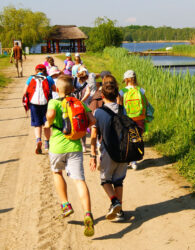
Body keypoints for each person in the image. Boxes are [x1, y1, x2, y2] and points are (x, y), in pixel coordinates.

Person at [45, 74, 96, 237]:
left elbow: (50, 116)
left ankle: (65, 204)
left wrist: (49, 122)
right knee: (80, 180)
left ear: (56, 89)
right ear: (73, 90)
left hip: (57, 146)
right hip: (75, 146)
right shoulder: (78, 102)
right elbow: (92, 120)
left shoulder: (53, 102)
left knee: (57, 172)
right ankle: (87, 214)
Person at [90, 75, 127, 221]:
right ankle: (119, 212)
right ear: (117, 94)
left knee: (105, 180)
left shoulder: (98, 113)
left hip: (108, 152)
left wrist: (92, 154)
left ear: (102, 96)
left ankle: (114, 201)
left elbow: (93, 135)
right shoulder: (123, 110)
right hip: (124, 152)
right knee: (118, 181)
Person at [23, 64, 56, 154]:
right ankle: (47, 143)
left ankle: (38, 140)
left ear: (36, 70)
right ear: (45, 70)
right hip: (46, 103)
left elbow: (25, 92)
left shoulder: (31, 78)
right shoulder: (48, 78)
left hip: (34, 104)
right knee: (46, 122)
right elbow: (54, 89)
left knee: (37, 124)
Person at [119, 70, 148, 170]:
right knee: (137, 138)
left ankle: (129, 160)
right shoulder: (141, 90)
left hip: (127, 119)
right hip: (139, 117)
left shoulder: (122, 91)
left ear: (126, 80)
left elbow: (119, 105)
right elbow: (146, 103)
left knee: (128, 139)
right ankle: (134, 161)